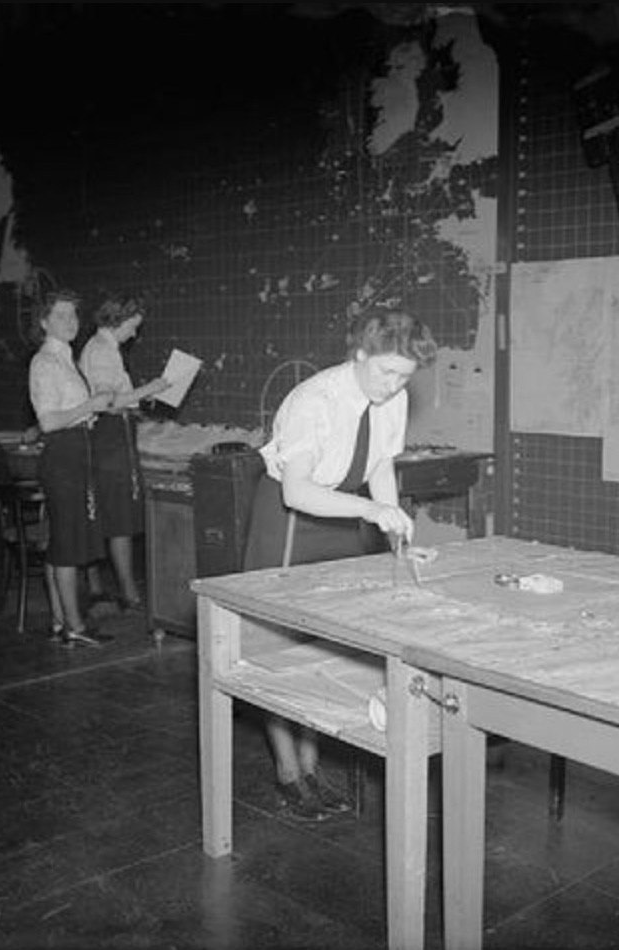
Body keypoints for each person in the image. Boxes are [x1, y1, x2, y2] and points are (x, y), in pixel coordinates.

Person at [245, 307, 437, 821]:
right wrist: (372, 510)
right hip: (289, 518)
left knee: (324, 644)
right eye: (385, 372)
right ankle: (289, 772)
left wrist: (394, 533)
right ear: (360, 353)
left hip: (341, 514)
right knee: (279, 649)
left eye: (403, 377)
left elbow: (379, 465)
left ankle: (312, 765)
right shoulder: (316, 399)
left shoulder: (389, 397)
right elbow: (299, 489)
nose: (394, 385)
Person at [28, 289, 116, 648]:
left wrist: (92, 410)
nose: (70, 322)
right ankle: (75, 626)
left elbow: (71, 411)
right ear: (44, 322)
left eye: (73, 316)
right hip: (62, 456)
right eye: (61, 316)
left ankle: (60, 621)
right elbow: (48, 422)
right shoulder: (45, 362)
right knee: (66, 545)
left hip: (76, 451)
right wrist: (89, 406)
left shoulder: (66, 360)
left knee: (62, 543)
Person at [78, 295, 171, 619]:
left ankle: (100, 585)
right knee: (120, 516)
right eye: (133, 327)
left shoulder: (101, 348)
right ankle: (130, 593)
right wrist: (152, 388)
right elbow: (109, 403)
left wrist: (139, 404)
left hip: (112, 435)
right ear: (117, 321)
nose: (135, 335)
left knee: (109, 512)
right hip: (109, 437)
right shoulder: (103, 351)